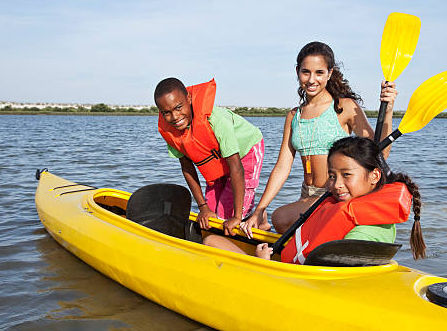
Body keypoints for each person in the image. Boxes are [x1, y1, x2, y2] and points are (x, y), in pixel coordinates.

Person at [241, 41, 398, 236]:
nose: (311, 79)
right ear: (297, 71)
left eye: (319, 73)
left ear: (330, 73)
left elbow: (380, 153)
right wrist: (260, 209)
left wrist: (388, 111)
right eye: (306, 72)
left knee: (279, 218)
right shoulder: (293, 116)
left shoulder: (344, 107)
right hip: (307, 195)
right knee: (283, 226)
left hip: (334, 195)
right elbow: (282, 167)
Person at [204, 136, 426, 262]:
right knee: (212, 241)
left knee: (211, 244)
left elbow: (321, 278)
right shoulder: (339, 206)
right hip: (290, 265)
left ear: (374, 176)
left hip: (289, 279)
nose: (336, 185)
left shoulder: (367, 231)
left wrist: (265, 264)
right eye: (332, 175)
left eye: (346, 175)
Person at [155, 77, 266, 236]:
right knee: (211, 211)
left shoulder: (217, 120)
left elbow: (236, 168)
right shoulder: (171, 131)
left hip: (245, 152)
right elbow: (187, 168)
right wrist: (202, 207)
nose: (175, 116)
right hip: (220, 157)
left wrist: (236, 216)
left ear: (188, 98)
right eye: (166, 112)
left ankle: (258, 222)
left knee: (225, 214)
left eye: (179, 107)